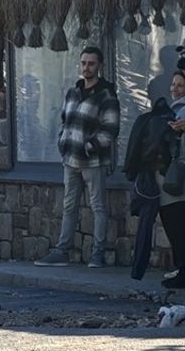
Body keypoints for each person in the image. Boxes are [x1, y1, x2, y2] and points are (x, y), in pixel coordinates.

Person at [35, 46, 122, 268]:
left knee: (97, 206)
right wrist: (62, 142)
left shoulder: (106, 95)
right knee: (69, 206)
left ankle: (97, 253)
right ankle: (62, 250)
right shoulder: (73, 91)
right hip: (70, 158)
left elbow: (111, 129)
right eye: (83, 63)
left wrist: (91, 146)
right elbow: (65, 119)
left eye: (91, 63)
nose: (86, 67)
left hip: (93, 161)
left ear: (99, 66)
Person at [160, 69, 185, 288]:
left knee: (176, 222)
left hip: (180, 175)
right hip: (176, 172)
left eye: (180, 85)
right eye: (173, 84)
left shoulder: (181, 111)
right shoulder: (174, 109)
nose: (175, 89)